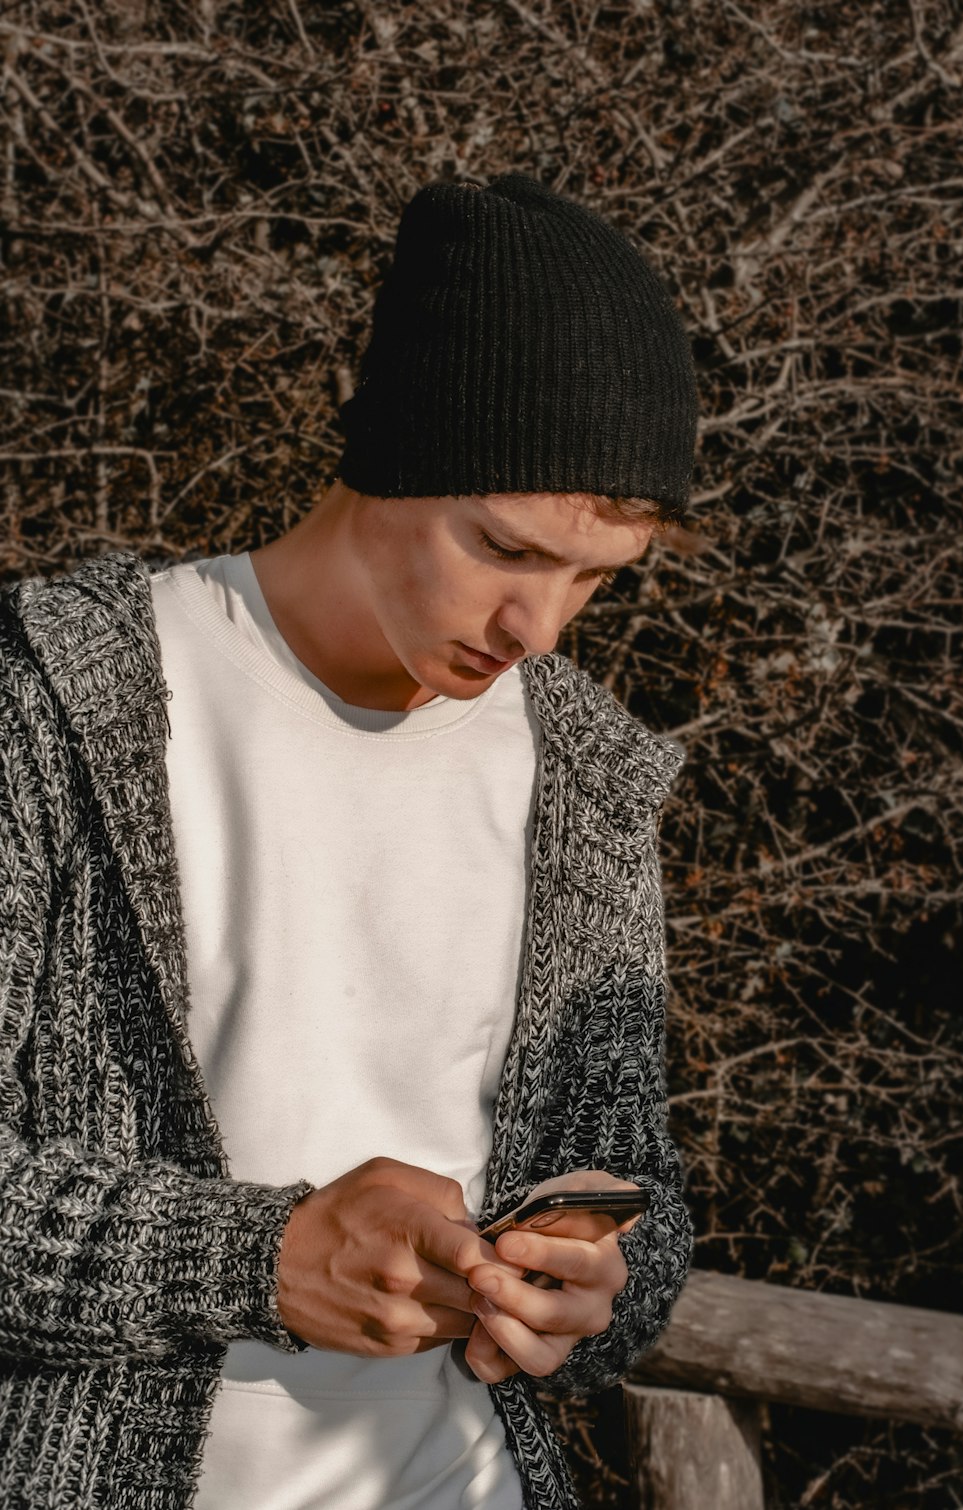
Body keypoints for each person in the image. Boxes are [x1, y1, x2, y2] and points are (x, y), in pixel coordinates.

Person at [0, 171, 698, 1508]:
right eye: (501, 547)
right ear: (391, 458)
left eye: (597, 580)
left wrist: (596, 1286)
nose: (539, 629)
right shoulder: (57, 698)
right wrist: (253, 1258)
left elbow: (639, 1202)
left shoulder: (589, 781)